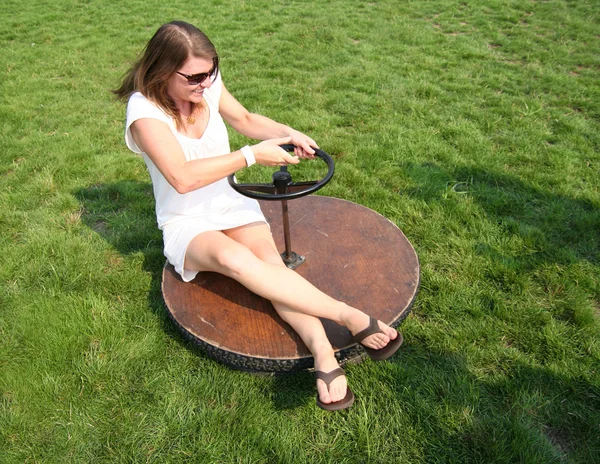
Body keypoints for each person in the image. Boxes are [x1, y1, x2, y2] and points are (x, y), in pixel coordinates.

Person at [114, 21, 403, 411]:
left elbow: (246, 120)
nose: (206, 83)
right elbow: (181, 178)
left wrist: (289, 132)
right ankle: (350, 316)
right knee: (235, 259)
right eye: (196, 76)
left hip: (229, 201)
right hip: (186, 217)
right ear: (164, 70)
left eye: (211, 72)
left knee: (270, 268)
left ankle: (323, 353)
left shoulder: (205, 83)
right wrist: (252, 155)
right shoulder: (143, 109)